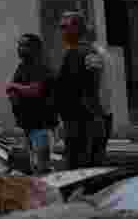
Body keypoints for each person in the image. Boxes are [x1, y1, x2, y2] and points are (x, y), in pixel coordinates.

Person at [54, 11, 104, 170]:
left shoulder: (76, 53)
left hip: (79, 122)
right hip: (91, 119)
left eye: (64, 27)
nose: (61, 31)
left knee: (79, 171)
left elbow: (78, 89)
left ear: (77, 28)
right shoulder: (92, 51)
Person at [6, 33, 58, 174]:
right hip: (28, 125)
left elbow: (35, 90)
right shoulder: (23, 66)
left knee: (43, 167)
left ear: (34, 48)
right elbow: (13, 88)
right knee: (33, 167)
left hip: (42, 126)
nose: (19, 48)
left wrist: (15, 88)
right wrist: (13, 93)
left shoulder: (41, 66)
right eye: (19, 45)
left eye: (23, 45)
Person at [88, 27, 114, 166]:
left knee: (92, 158)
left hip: (96, 112)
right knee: (99, 155)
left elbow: (93, 83)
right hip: (106, 110)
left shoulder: (93, 54)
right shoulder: (105, 53)